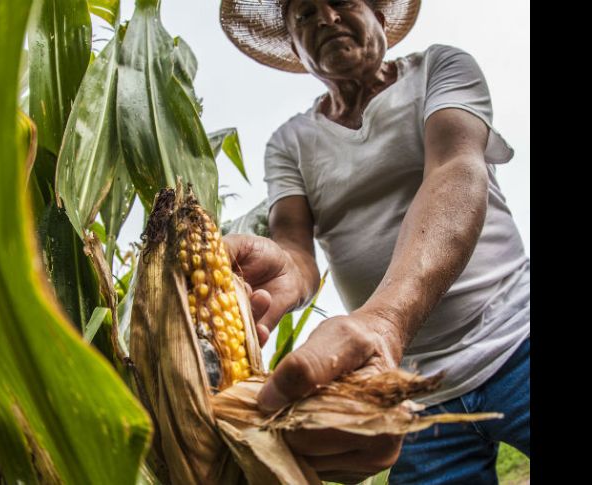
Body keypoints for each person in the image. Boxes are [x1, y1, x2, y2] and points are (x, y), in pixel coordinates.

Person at [218, 0, 530, 483]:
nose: (324, 17)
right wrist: (283, 269)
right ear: (297, 50)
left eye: (341, 1)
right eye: (303, 15)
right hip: (406, 392)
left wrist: (384, 321)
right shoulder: (290, 142)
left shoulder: (438, 67)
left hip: (516, 340)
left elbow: (455, 167)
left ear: (381, 17)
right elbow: (297, 249)